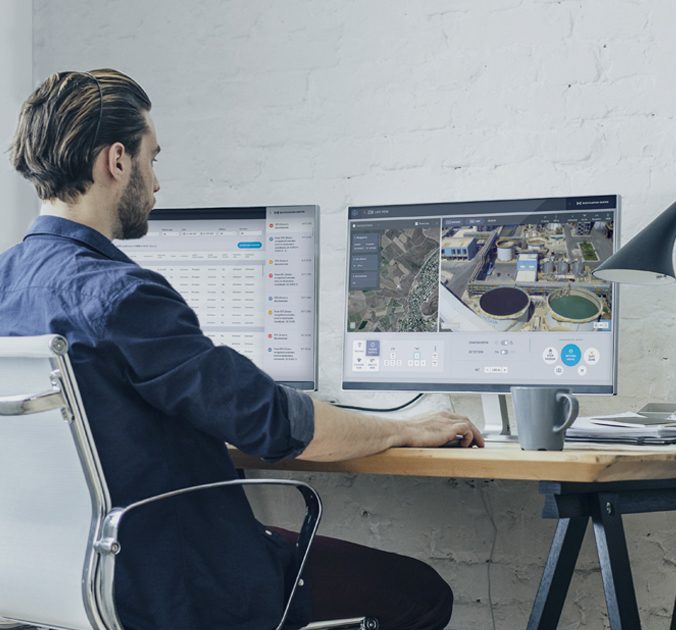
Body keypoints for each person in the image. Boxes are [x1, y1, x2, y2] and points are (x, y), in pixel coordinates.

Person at [2, 68, 484, 630]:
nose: (156, 183)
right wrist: (404, 427)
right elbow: (275, 423)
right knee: (421, 592)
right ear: (116, 161)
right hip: (177, 583)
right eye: (152, 158)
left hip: (60, 583)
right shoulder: (122, 296)